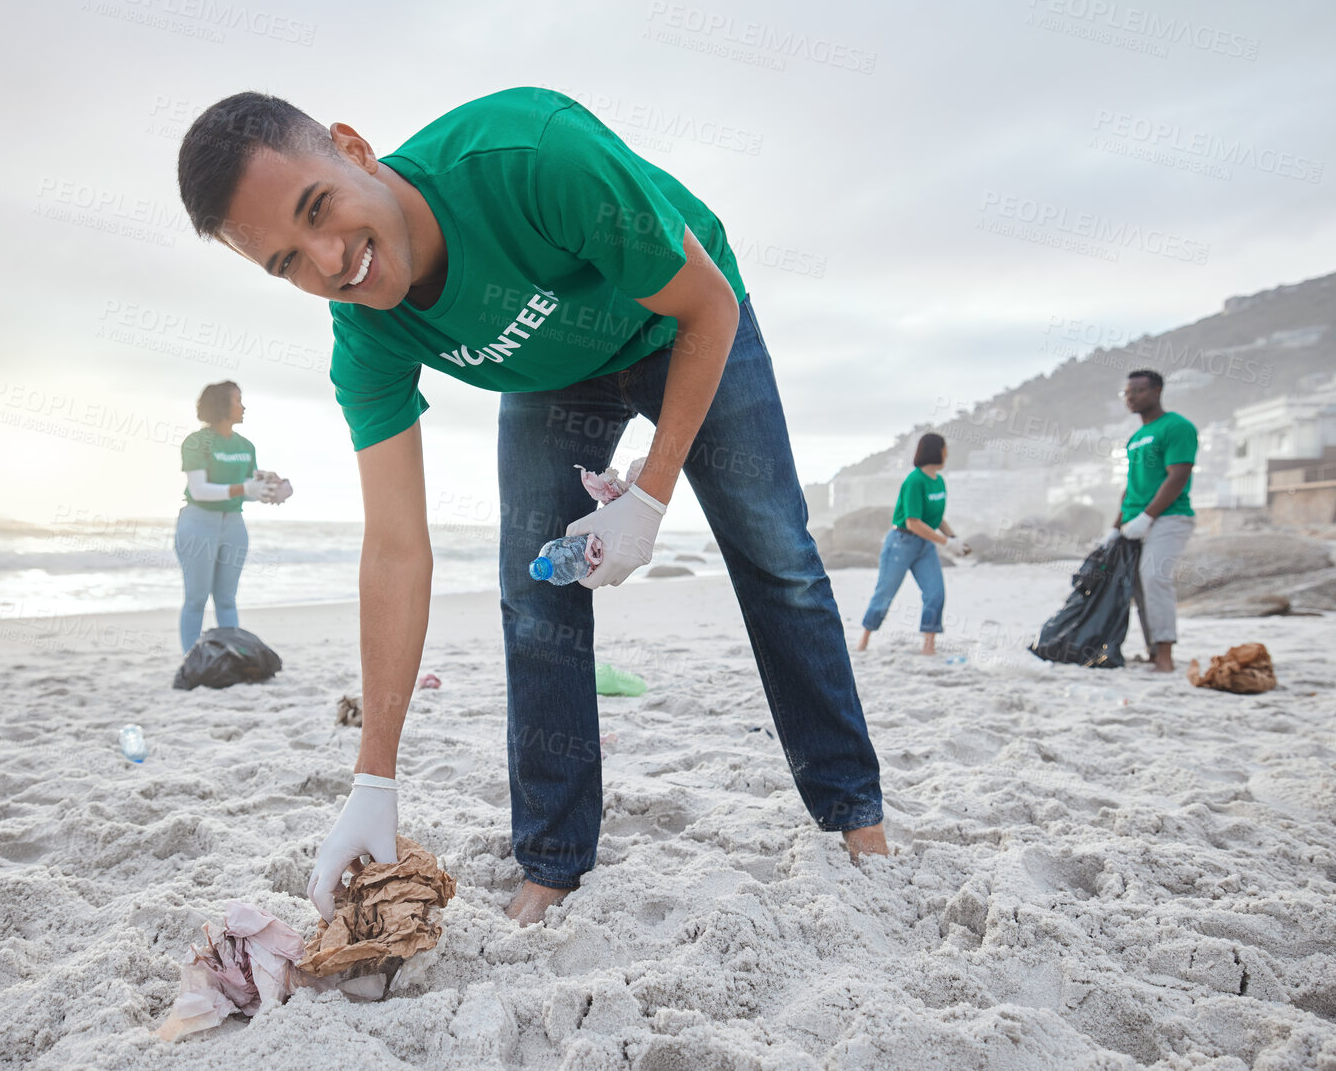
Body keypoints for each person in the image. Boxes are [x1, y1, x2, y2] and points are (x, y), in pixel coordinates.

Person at [176, 87, 887, 925]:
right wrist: (374, 777)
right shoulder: (365, 335)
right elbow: (396, 549)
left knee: (776, 557)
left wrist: (650, 495)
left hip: (683, 320)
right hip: (555, 378)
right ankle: (553, 859)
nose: (331, 261)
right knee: (534, 595)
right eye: (289, 262)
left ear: (353, 148)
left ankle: (855, 817)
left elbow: (707, 305)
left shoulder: (531, 157)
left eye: (318, 208)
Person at [175, 381, 289, 652]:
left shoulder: (246, 446)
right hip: (198, 523)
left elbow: (249, 488)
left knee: (227, 599)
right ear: (221, 405)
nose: (243, 406)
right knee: (196, 599)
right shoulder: (196, 442)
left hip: (234, 526)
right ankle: (193, 659)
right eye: (238, 400)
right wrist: (244, 488)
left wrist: (271, 490)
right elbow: (199, 489)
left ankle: (230, 656)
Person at [1103, 369, 1196, 673]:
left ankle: (1166, 658)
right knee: (1138, 586)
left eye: (1138, 391)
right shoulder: (1135, 438)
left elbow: (1178, 475)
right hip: (1133, 522)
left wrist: (1148, 516)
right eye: (1126, 393)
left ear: (1156, 391)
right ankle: (1153, 651)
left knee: (1155, 576)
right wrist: (1115, 528)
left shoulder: (1177, 427)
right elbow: (1131, 486)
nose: (1131, 398)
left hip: (1169, 517)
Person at [856, 432, 969, 655]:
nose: (948, 453)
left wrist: (955, 540)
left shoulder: (939, 482)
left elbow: (936, 518)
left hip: (925, 546)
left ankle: (929, 647)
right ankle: (863, 641)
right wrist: (946, 543)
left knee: (935, 593)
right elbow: (913, 522)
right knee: (885, 594)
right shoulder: (914, 481)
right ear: (936, 450)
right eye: (945, 448)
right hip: (901, 543)